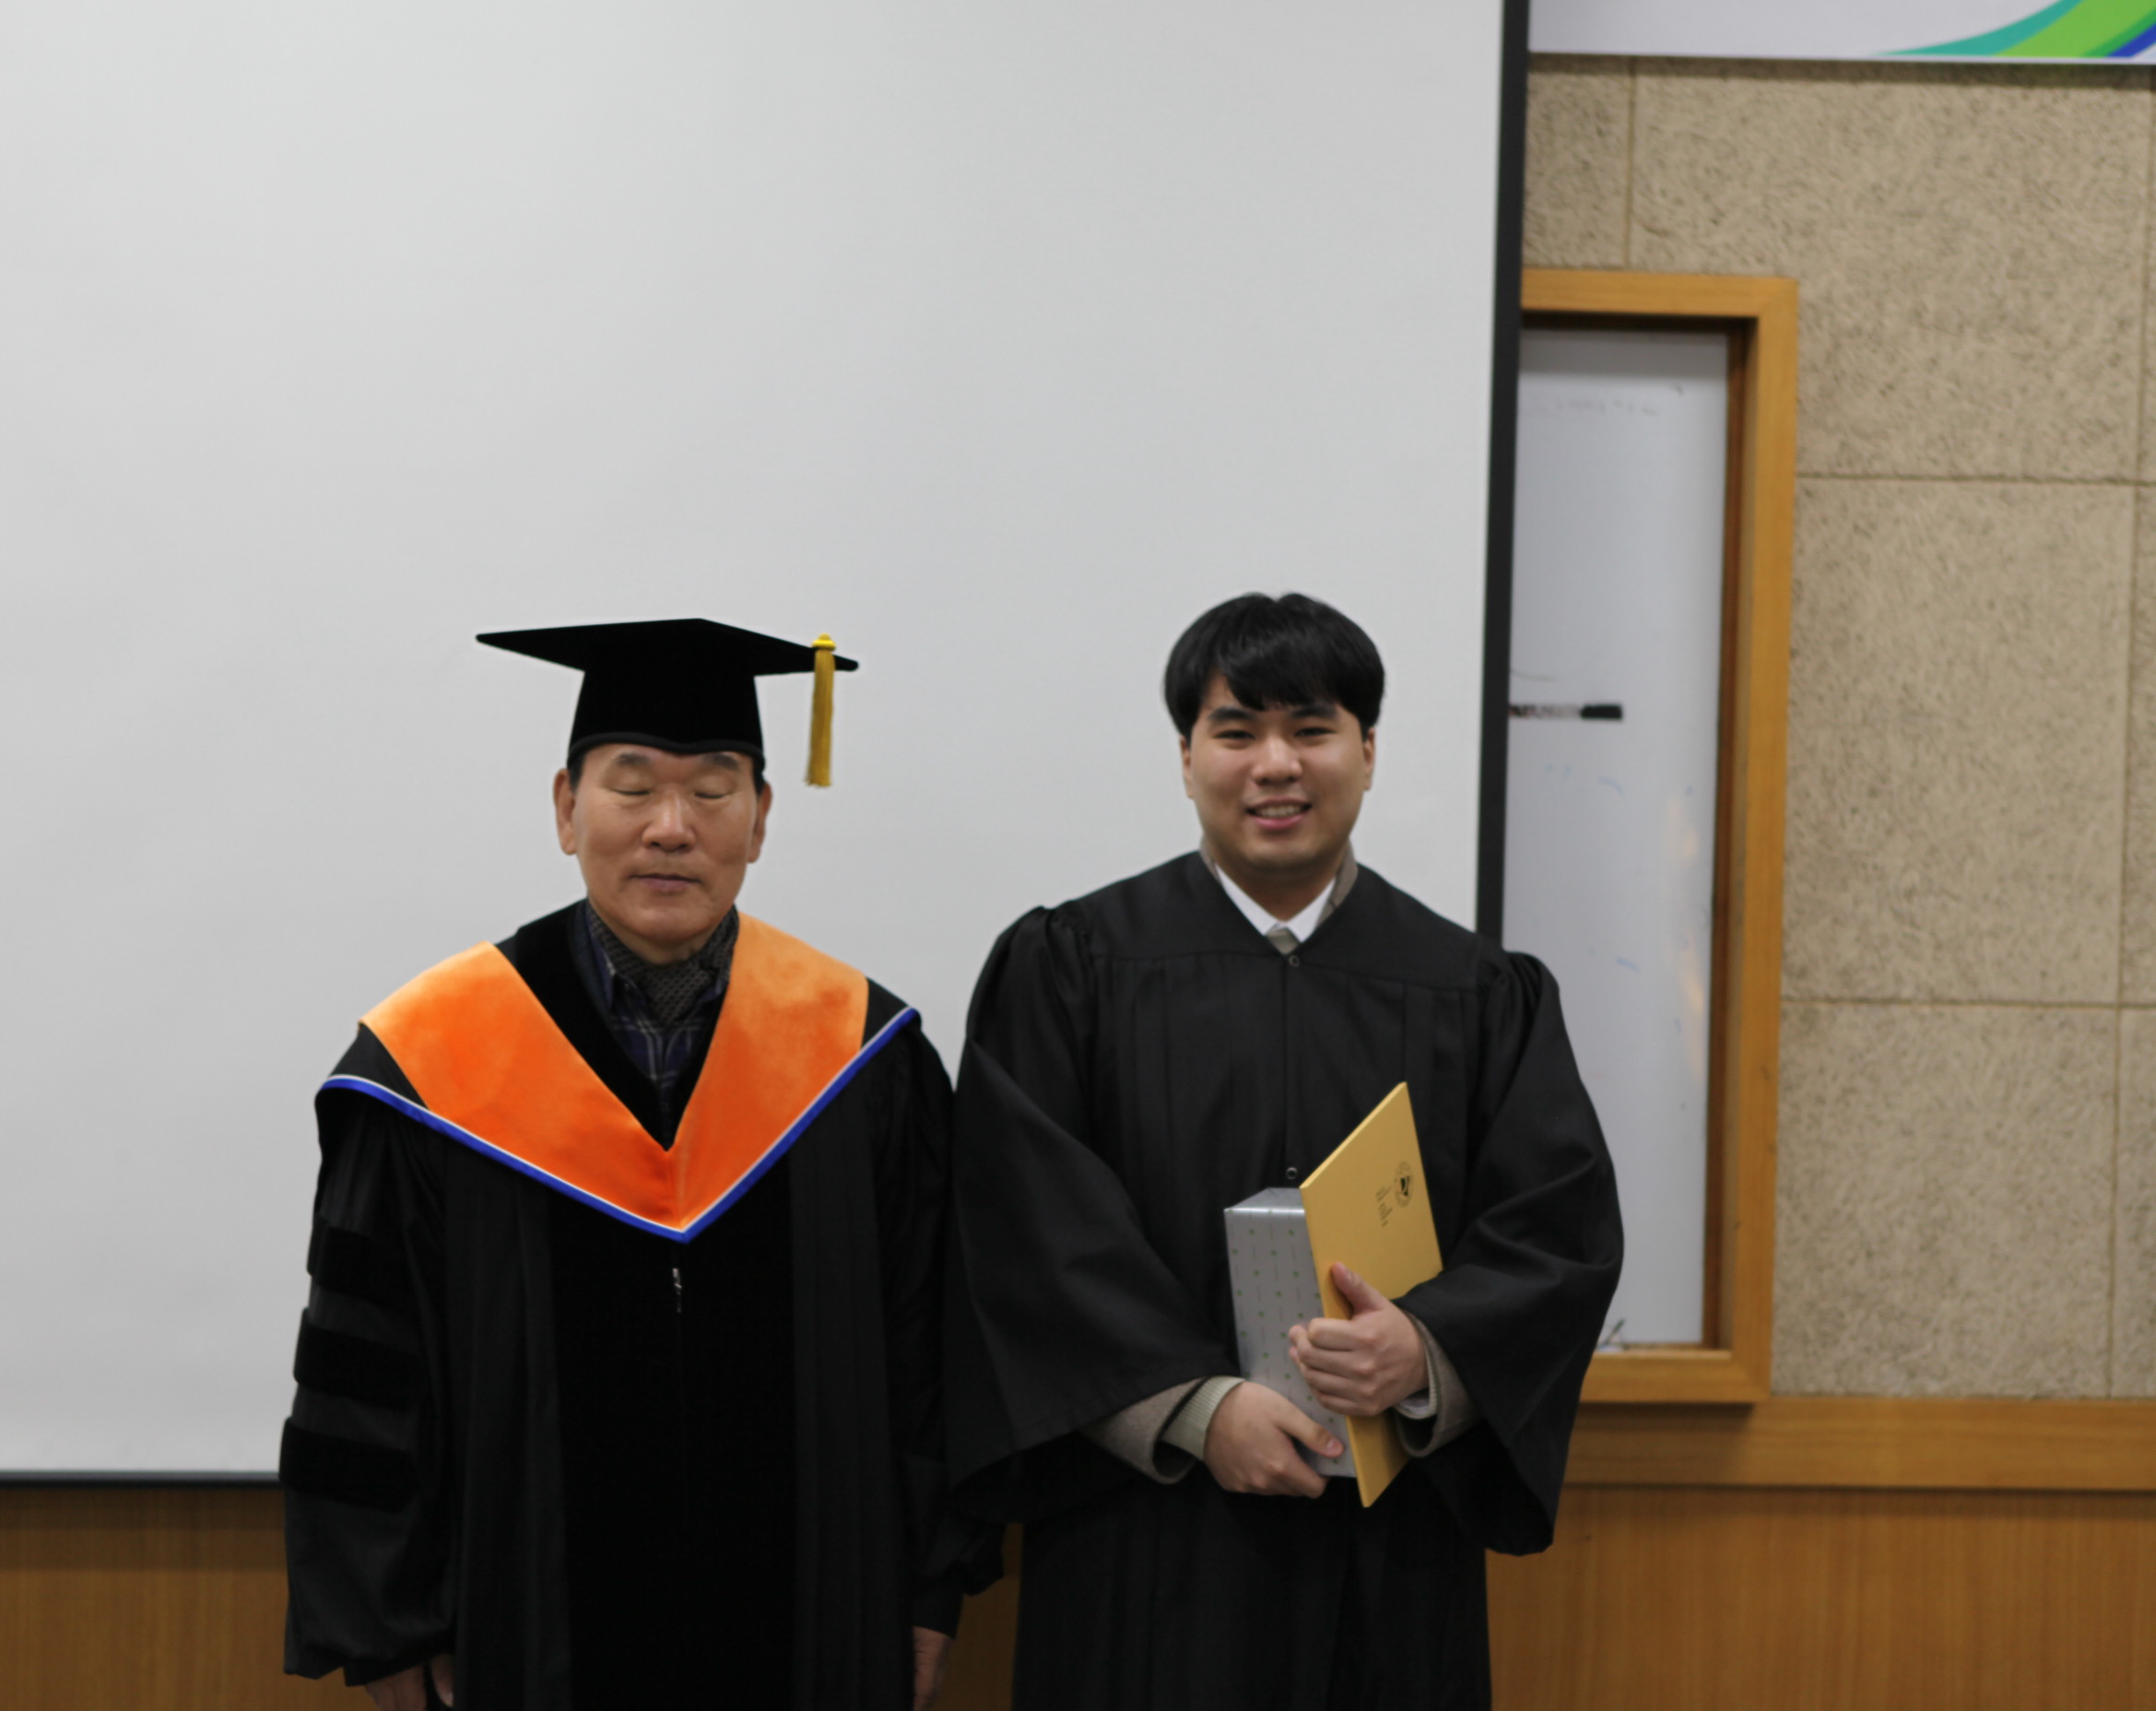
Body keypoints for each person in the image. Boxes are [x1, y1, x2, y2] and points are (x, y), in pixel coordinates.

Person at [943, 592, 1623, 1709]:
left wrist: (1426, 1352)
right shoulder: (1071, 966)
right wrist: (1195, 1409)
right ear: (1186, 755)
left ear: (1368, 750)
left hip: (1390, 1540)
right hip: (1144, 1531)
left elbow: (1557, 1226)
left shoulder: (1476, 991)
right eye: (1236, 730)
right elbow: (1023, 1228)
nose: (1276, 764)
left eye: (1312, 729)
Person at [280, 619, 970, 1711]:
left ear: (761, 815)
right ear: (566, 808)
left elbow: (928, 1351)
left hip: (811, 1631)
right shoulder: (431, 1064)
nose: (670, 827)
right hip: (521, 1633)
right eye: (632, 786)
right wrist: (385, 1623)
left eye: (713, 790)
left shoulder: (862, 1058)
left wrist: (931, 1587)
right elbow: (368, 1371)